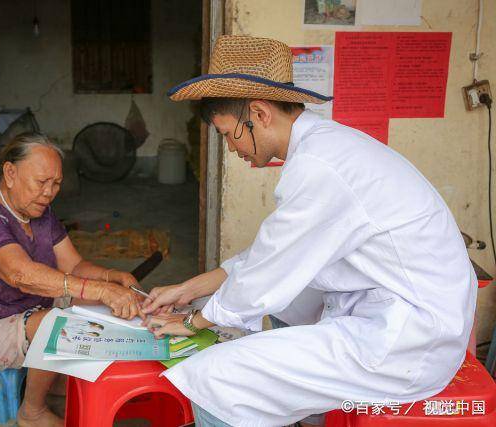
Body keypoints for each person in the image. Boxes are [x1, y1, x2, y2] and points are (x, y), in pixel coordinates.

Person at [142, 35, 476, 427]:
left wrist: (192, 321)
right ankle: (305, 415)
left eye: (226, 132)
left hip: (410, 338)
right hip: (395, 305)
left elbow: (269, 268)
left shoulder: (322, 165)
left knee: (218, 376)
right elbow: (272, 256)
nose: (230, 148)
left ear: (260, 114)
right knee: (288, 300)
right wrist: (190, 289)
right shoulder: (325, 148)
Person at [0, 132, 144, 427]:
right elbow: (20, 274)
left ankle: (65, 381)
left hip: (24, 307)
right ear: (10, 173)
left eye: (56, 184)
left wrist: (112, 277)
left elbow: (74, 264)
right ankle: (32, 412)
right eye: (41, 182)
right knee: (54, 322)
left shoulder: (40, 212)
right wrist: (100, 289)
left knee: (93, 299)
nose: (49, 192)